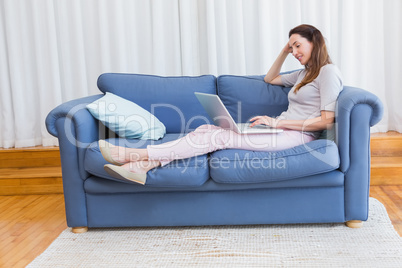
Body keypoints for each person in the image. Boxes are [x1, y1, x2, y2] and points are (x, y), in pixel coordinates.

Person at [100, 24, 343, 185]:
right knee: (206, 129)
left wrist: (278, 122)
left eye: (297, 45)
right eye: (292, 47)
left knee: (217, 138)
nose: (294, 52)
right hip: (280, 130)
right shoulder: (303, 74)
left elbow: (326, 121)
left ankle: (138, 155)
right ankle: (142, 166)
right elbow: (270, 78)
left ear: (315, 41)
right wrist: (284, 50)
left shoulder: (327, 72)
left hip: (298, 136)